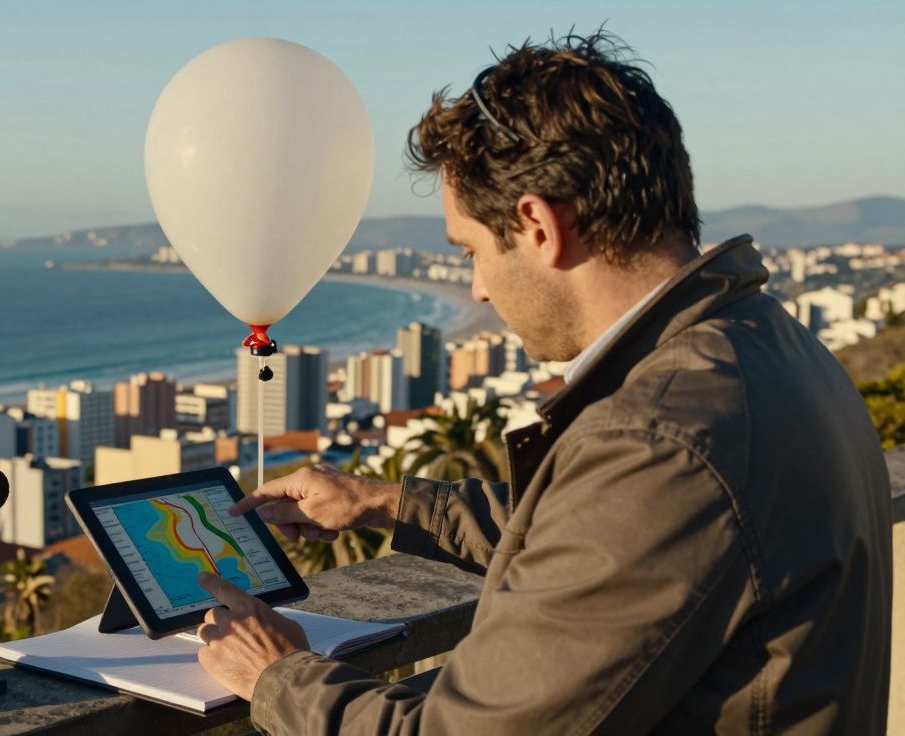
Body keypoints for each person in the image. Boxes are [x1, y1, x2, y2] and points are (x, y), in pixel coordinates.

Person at [192, 30, 893, 735]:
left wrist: (277, 676)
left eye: (472, 252)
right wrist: (386, 502)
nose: (480, 290)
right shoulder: (763, 342)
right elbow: (609, 551)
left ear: (537, 225)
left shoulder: (663, 439)